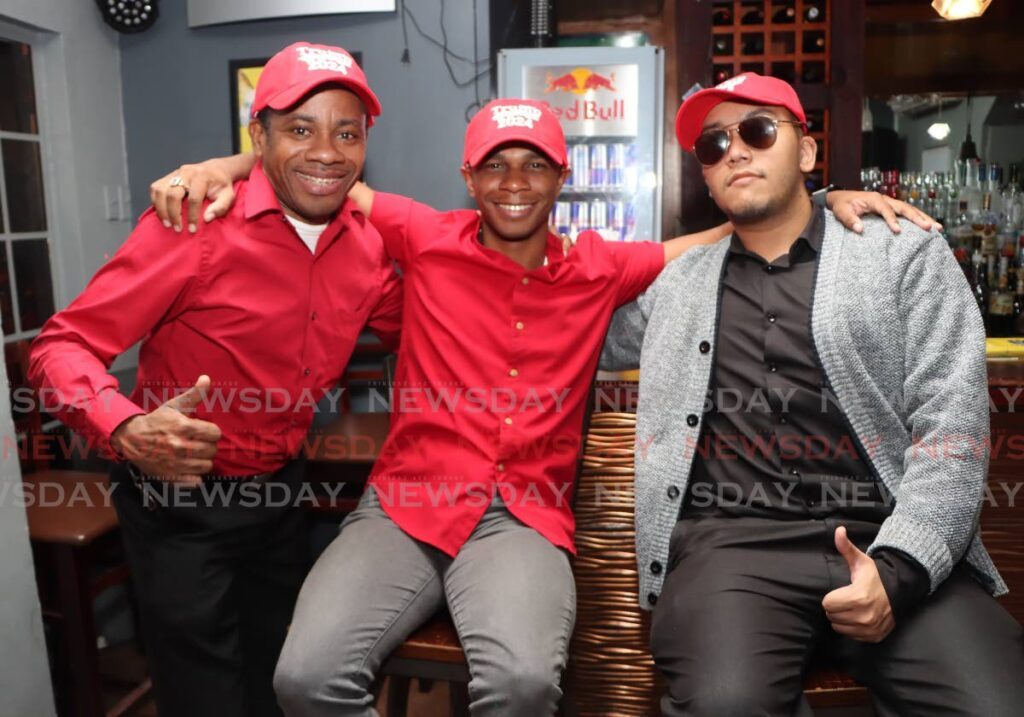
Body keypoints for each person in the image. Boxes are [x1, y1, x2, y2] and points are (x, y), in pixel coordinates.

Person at [151, 97, 933, 717]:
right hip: (405, 505)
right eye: (496, 166)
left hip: (520, 519)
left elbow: (720, 235)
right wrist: (223, 164)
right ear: (468, 176)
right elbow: (316, 172)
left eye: (534, 165)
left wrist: (823, 197)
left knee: (523, 684)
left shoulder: (600, 266)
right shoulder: (422, 235)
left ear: (563, 177)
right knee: (305, 676)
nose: (514, 182)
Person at [600, 72, 1024, 716]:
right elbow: (559, 321)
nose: (734, 151)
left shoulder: (904, 255)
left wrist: (899, 569)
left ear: (804, 151)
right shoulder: (676, 288)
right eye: (713, 146)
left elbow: (952, 431)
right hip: (731, 552)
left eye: (758, 131)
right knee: (724, 706)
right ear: (705, 176)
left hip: (885, 533)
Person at [28, 42, 402, 717]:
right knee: (203, 695)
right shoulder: (193, 228)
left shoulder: (368, 248)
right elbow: (61, 346)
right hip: (177, 499)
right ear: (259, 137)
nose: (326, 150)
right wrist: (126, 425)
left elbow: (432, 324)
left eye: (346, 132)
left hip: (283, 491)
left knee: (276, 678)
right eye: (299, 129)